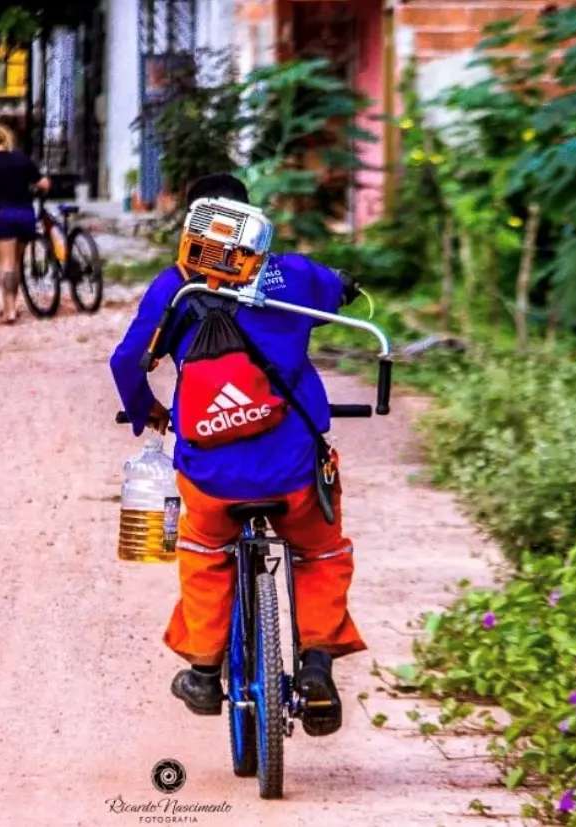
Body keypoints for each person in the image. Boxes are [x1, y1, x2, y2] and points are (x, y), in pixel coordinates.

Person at [109, 173, 364, 737]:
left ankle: (203, 672)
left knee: (203, 550)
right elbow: (335, 289)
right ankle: (317, 662)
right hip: (293, 467)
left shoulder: (174, 287)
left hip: (211, 474)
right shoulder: (292, 274)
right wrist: (341, 285)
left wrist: (146, 410)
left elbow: (127, 361)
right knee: (320, 552)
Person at [0, 122, 51, 324]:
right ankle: (12, 306)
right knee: (15, 263)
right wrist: (34, 191)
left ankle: (10, 311)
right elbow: (44, 183)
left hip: (1, 215)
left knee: (6, 264)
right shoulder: (21, 159)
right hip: (25, 214)